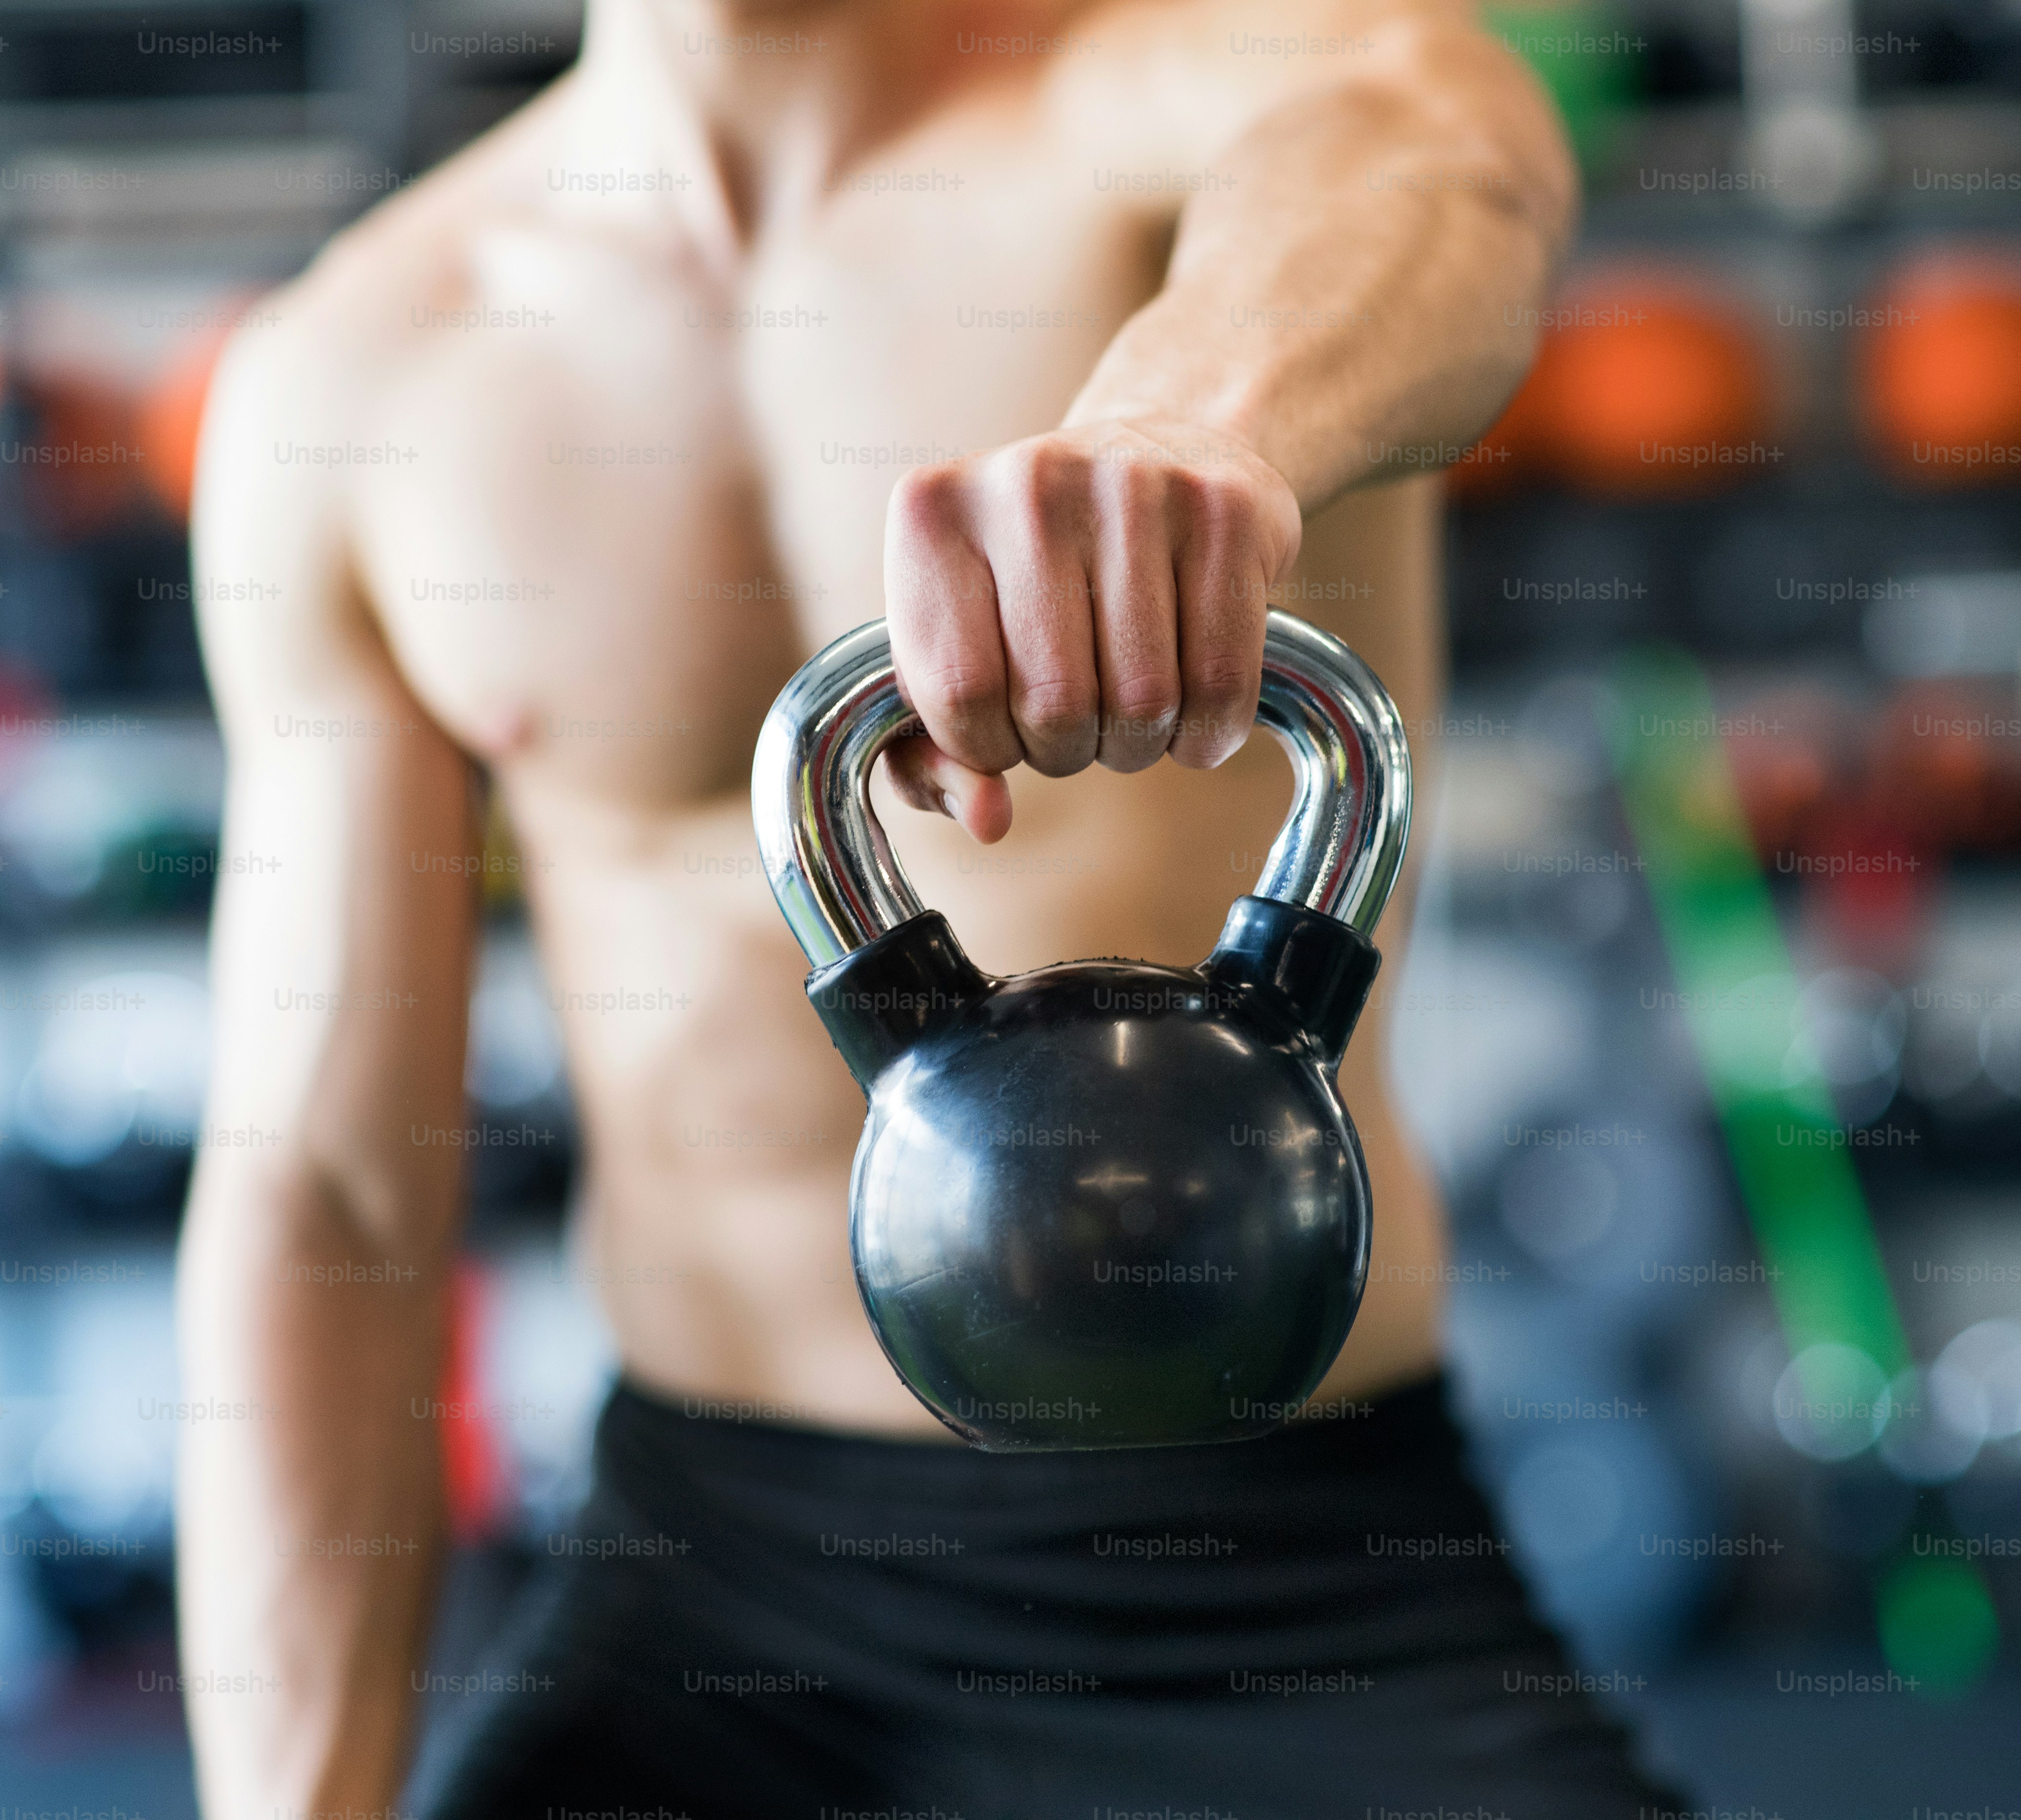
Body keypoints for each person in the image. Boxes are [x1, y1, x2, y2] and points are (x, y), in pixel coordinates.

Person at [175, 1, 1679, 1814]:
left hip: (1290, 1572)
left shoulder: (1182, 93)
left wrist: (1190, 424)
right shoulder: (352, 380)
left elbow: (1445, 154)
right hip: (721, 1603)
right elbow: (326, 1191)